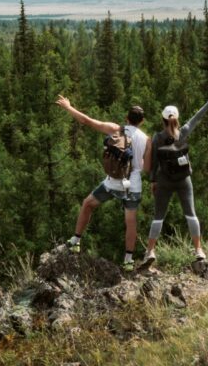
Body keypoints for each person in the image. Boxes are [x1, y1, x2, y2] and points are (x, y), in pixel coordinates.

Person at [56, 95, 149, 269]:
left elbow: (86, 120)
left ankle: (76, 240)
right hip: (132, 185)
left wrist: (68, 107)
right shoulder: (146, 139)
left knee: (87, 204)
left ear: (126, 118)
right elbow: (147, 166)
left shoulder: (115, 129)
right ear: (142, 122)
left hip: (112, 182)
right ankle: (128, 261)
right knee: (130, 222)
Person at [142, 89, 208, 264]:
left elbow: (154, 162)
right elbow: (197, 117)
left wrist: (153, 181)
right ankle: (199, 250)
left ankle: (150, 252)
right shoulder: (183, 132)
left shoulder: (158, 138)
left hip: (164, 180)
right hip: (184, 180)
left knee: (158, 216)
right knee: (191, 214)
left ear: (163, 119)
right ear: (177, 119)